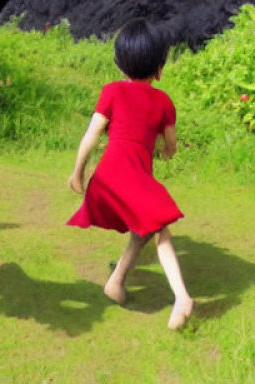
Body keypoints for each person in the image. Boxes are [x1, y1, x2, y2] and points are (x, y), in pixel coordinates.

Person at [67, 18, 192, 330]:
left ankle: (116, 282)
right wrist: (164, 150)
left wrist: (78, 172)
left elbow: (91, 136)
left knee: (146, 226)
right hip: (131, 177)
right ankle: (182, 298)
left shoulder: (112, 91)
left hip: (108, 178)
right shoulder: (164, 102)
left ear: (119, 64)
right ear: (160, 68)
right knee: (161, 227)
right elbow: (171, 145)